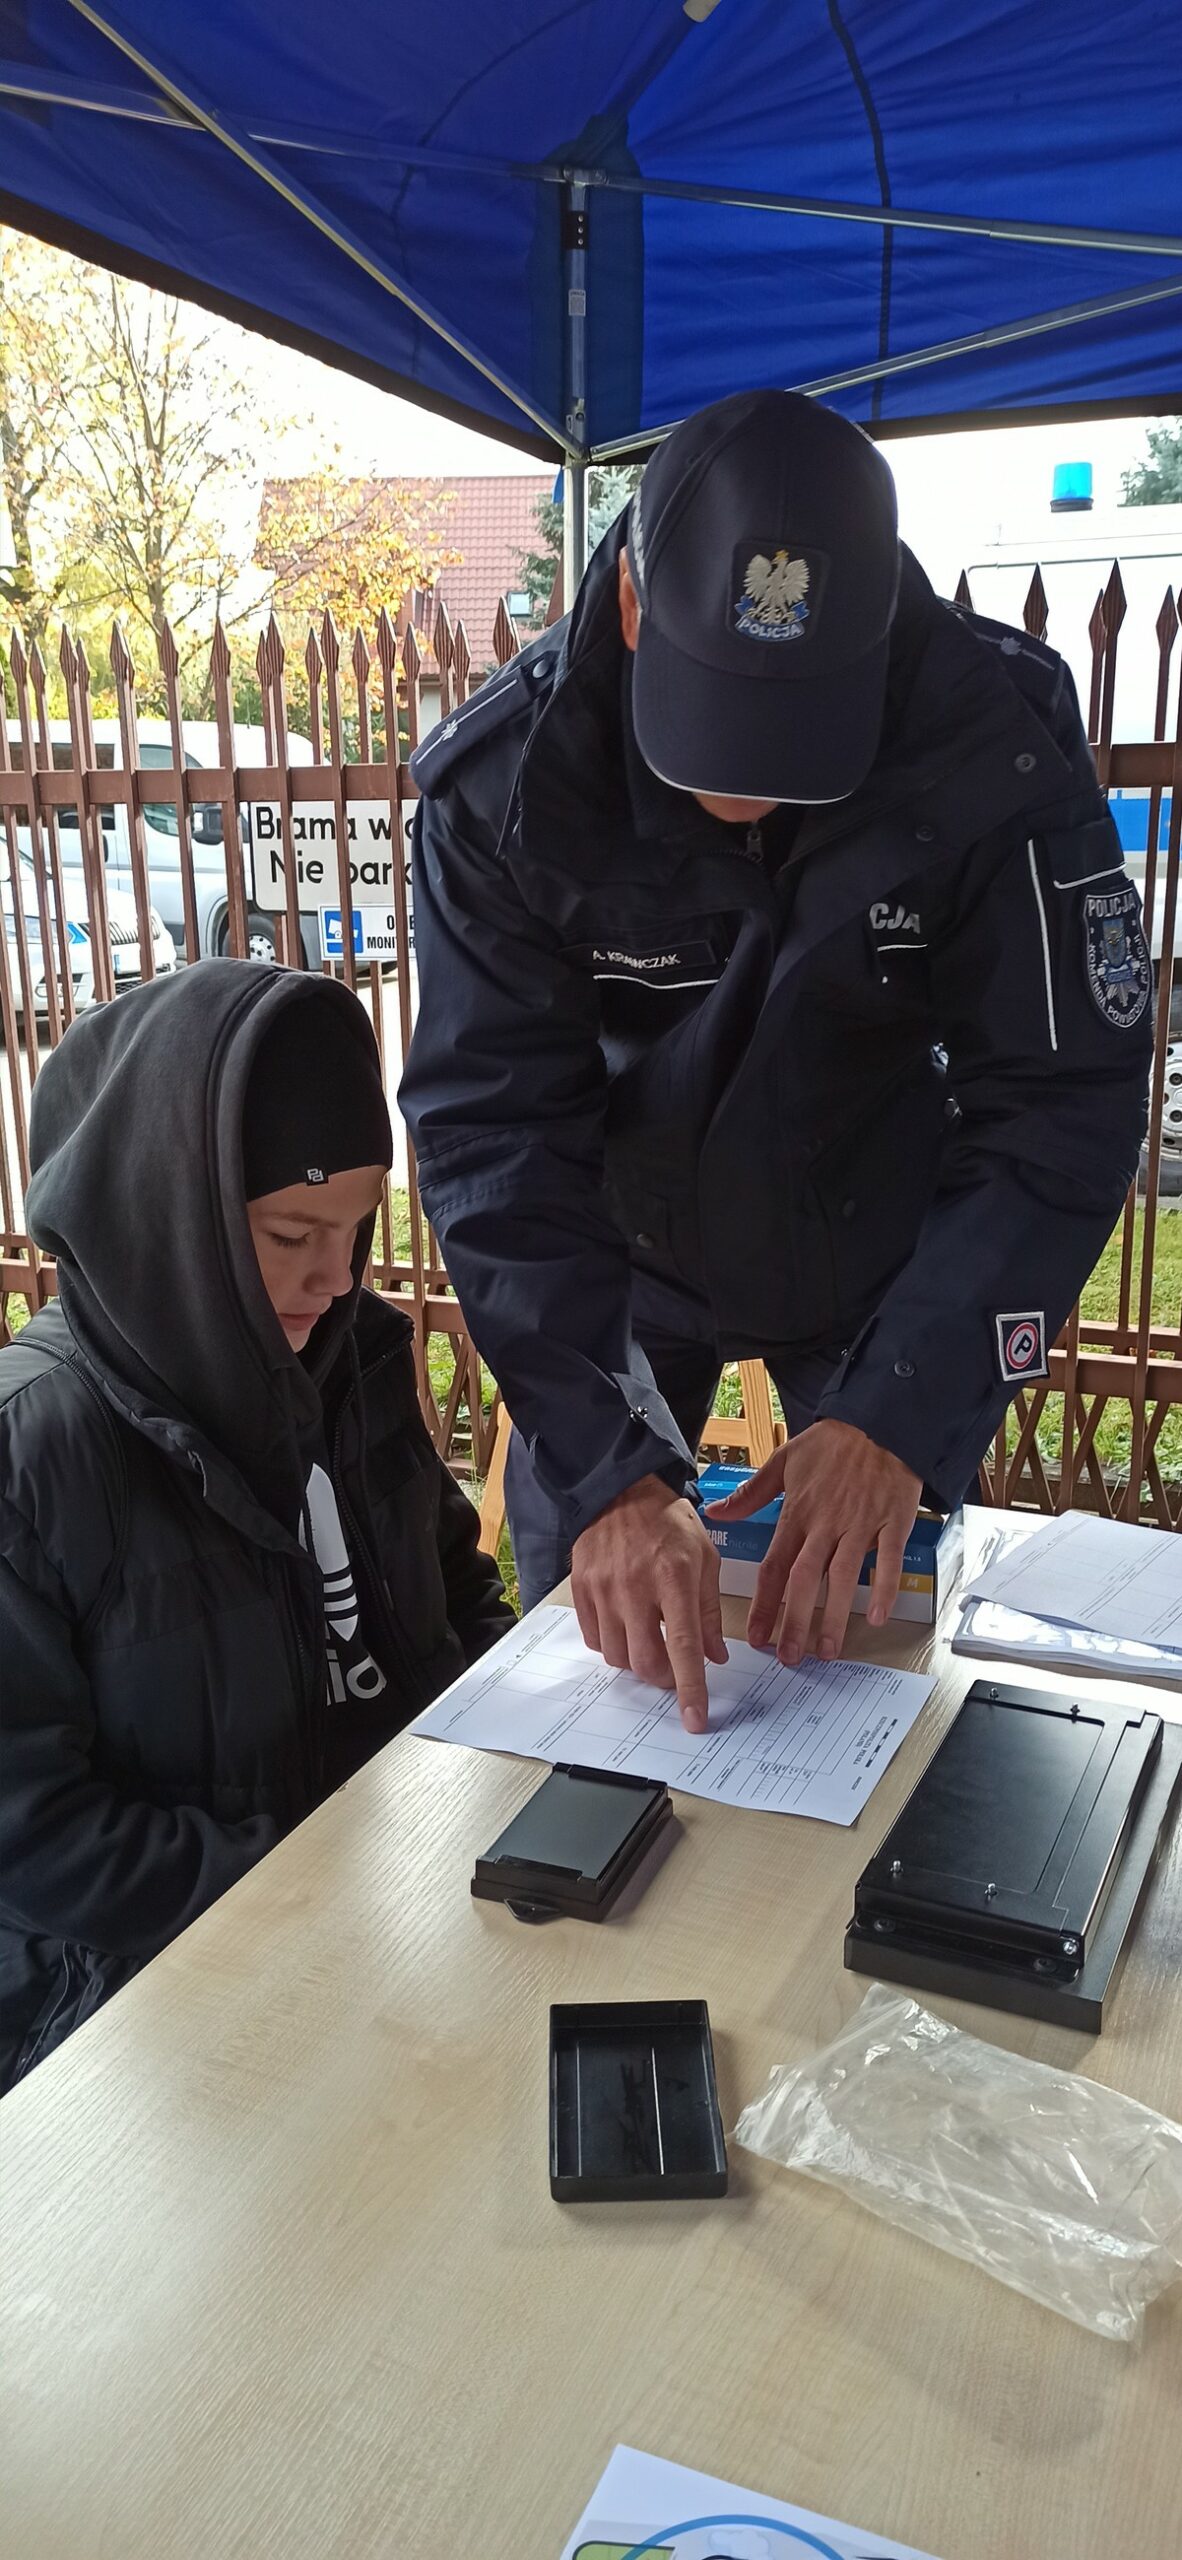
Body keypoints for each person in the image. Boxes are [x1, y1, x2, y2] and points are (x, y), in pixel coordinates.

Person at [400, 388, 1153, 1728]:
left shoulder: (989, 736)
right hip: (618, 1263)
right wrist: (608, 1471)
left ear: (880, 645)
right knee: (591, 1671)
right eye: (714, 715)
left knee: (882, 1658)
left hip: (877, 1255)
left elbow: (1061, 1101)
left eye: (799, 728)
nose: (744, 785)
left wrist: (902, 1410)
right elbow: (494, 1133)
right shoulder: (510, 783)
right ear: (632, 605)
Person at [0, 962, 512, 2091]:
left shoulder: (354, 1356)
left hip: (414, 1921)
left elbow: (457, 1589)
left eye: (358, 1230)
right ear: (167, 1211)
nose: (335, 1279)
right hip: (154, 2018)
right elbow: (34, 1835)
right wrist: (316, 1886)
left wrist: (515, 1762)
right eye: (289, 1234)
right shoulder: (32, 1453)